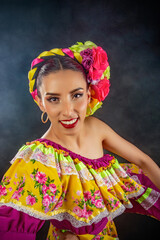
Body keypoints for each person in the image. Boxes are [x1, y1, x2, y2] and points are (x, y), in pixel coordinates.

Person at [0, 41, 160, 240]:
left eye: (76, 95)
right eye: (53, 99)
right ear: (40, 102)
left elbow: (143, 163)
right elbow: (13, 228)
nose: (68, 111)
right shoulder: (39, 159)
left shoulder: (95, 128)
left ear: (89, 94)